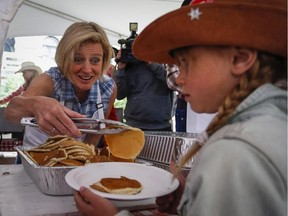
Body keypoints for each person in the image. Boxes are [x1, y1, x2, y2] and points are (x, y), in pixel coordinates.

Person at [73, 0, 287, 216]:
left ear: (240, 59)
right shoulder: (269, 127)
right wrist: (191, 200)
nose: (179, 79)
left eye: (185, 63)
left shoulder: (234, 152)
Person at [4, 21, 116, 148]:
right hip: (36, 159)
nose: (87, 69)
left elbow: (97, 132)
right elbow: (10, 112)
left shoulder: (108, 88)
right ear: (64, 58)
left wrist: (83, 158)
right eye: (77, 59)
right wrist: (35, 104)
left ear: (104, 60)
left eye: (95, 60)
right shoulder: (50, 80)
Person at [114, 49, 173, 131]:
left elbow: (172, 81)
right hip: (134, 125)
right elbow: (119, 95)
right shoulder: (130, 65)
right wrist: (120, 68)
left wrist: (151, 62)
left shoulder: (165, 59)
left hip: (161, 126)